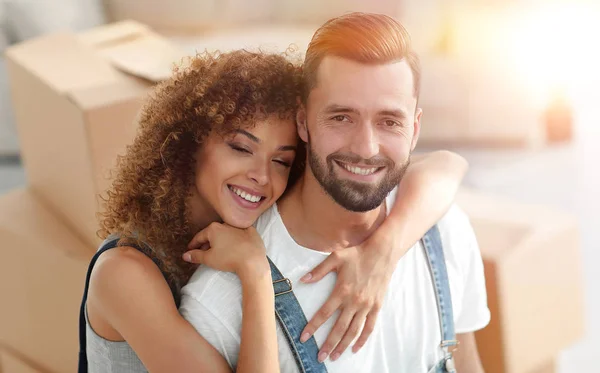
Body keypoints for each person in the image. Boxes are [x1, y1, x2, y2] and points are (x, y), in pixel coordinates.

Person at [79, 48, 469, 372]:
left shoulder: (245, 216)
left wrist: (383, 249)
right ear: (190, 143)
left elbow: (446, 167)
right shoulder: (125, 272)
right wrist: (256, 273)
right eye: (241, 148)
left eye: (281, 161)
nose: (261, 177)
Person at [180, 12, 490, 373]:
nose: (365, 147)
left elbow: (467, 363)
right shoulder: (219, 301)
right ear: (303, 122)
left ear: (415, 129)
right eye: (341, 117)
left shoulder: (444, 230)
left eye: (389, 121)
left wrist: (383, 250)